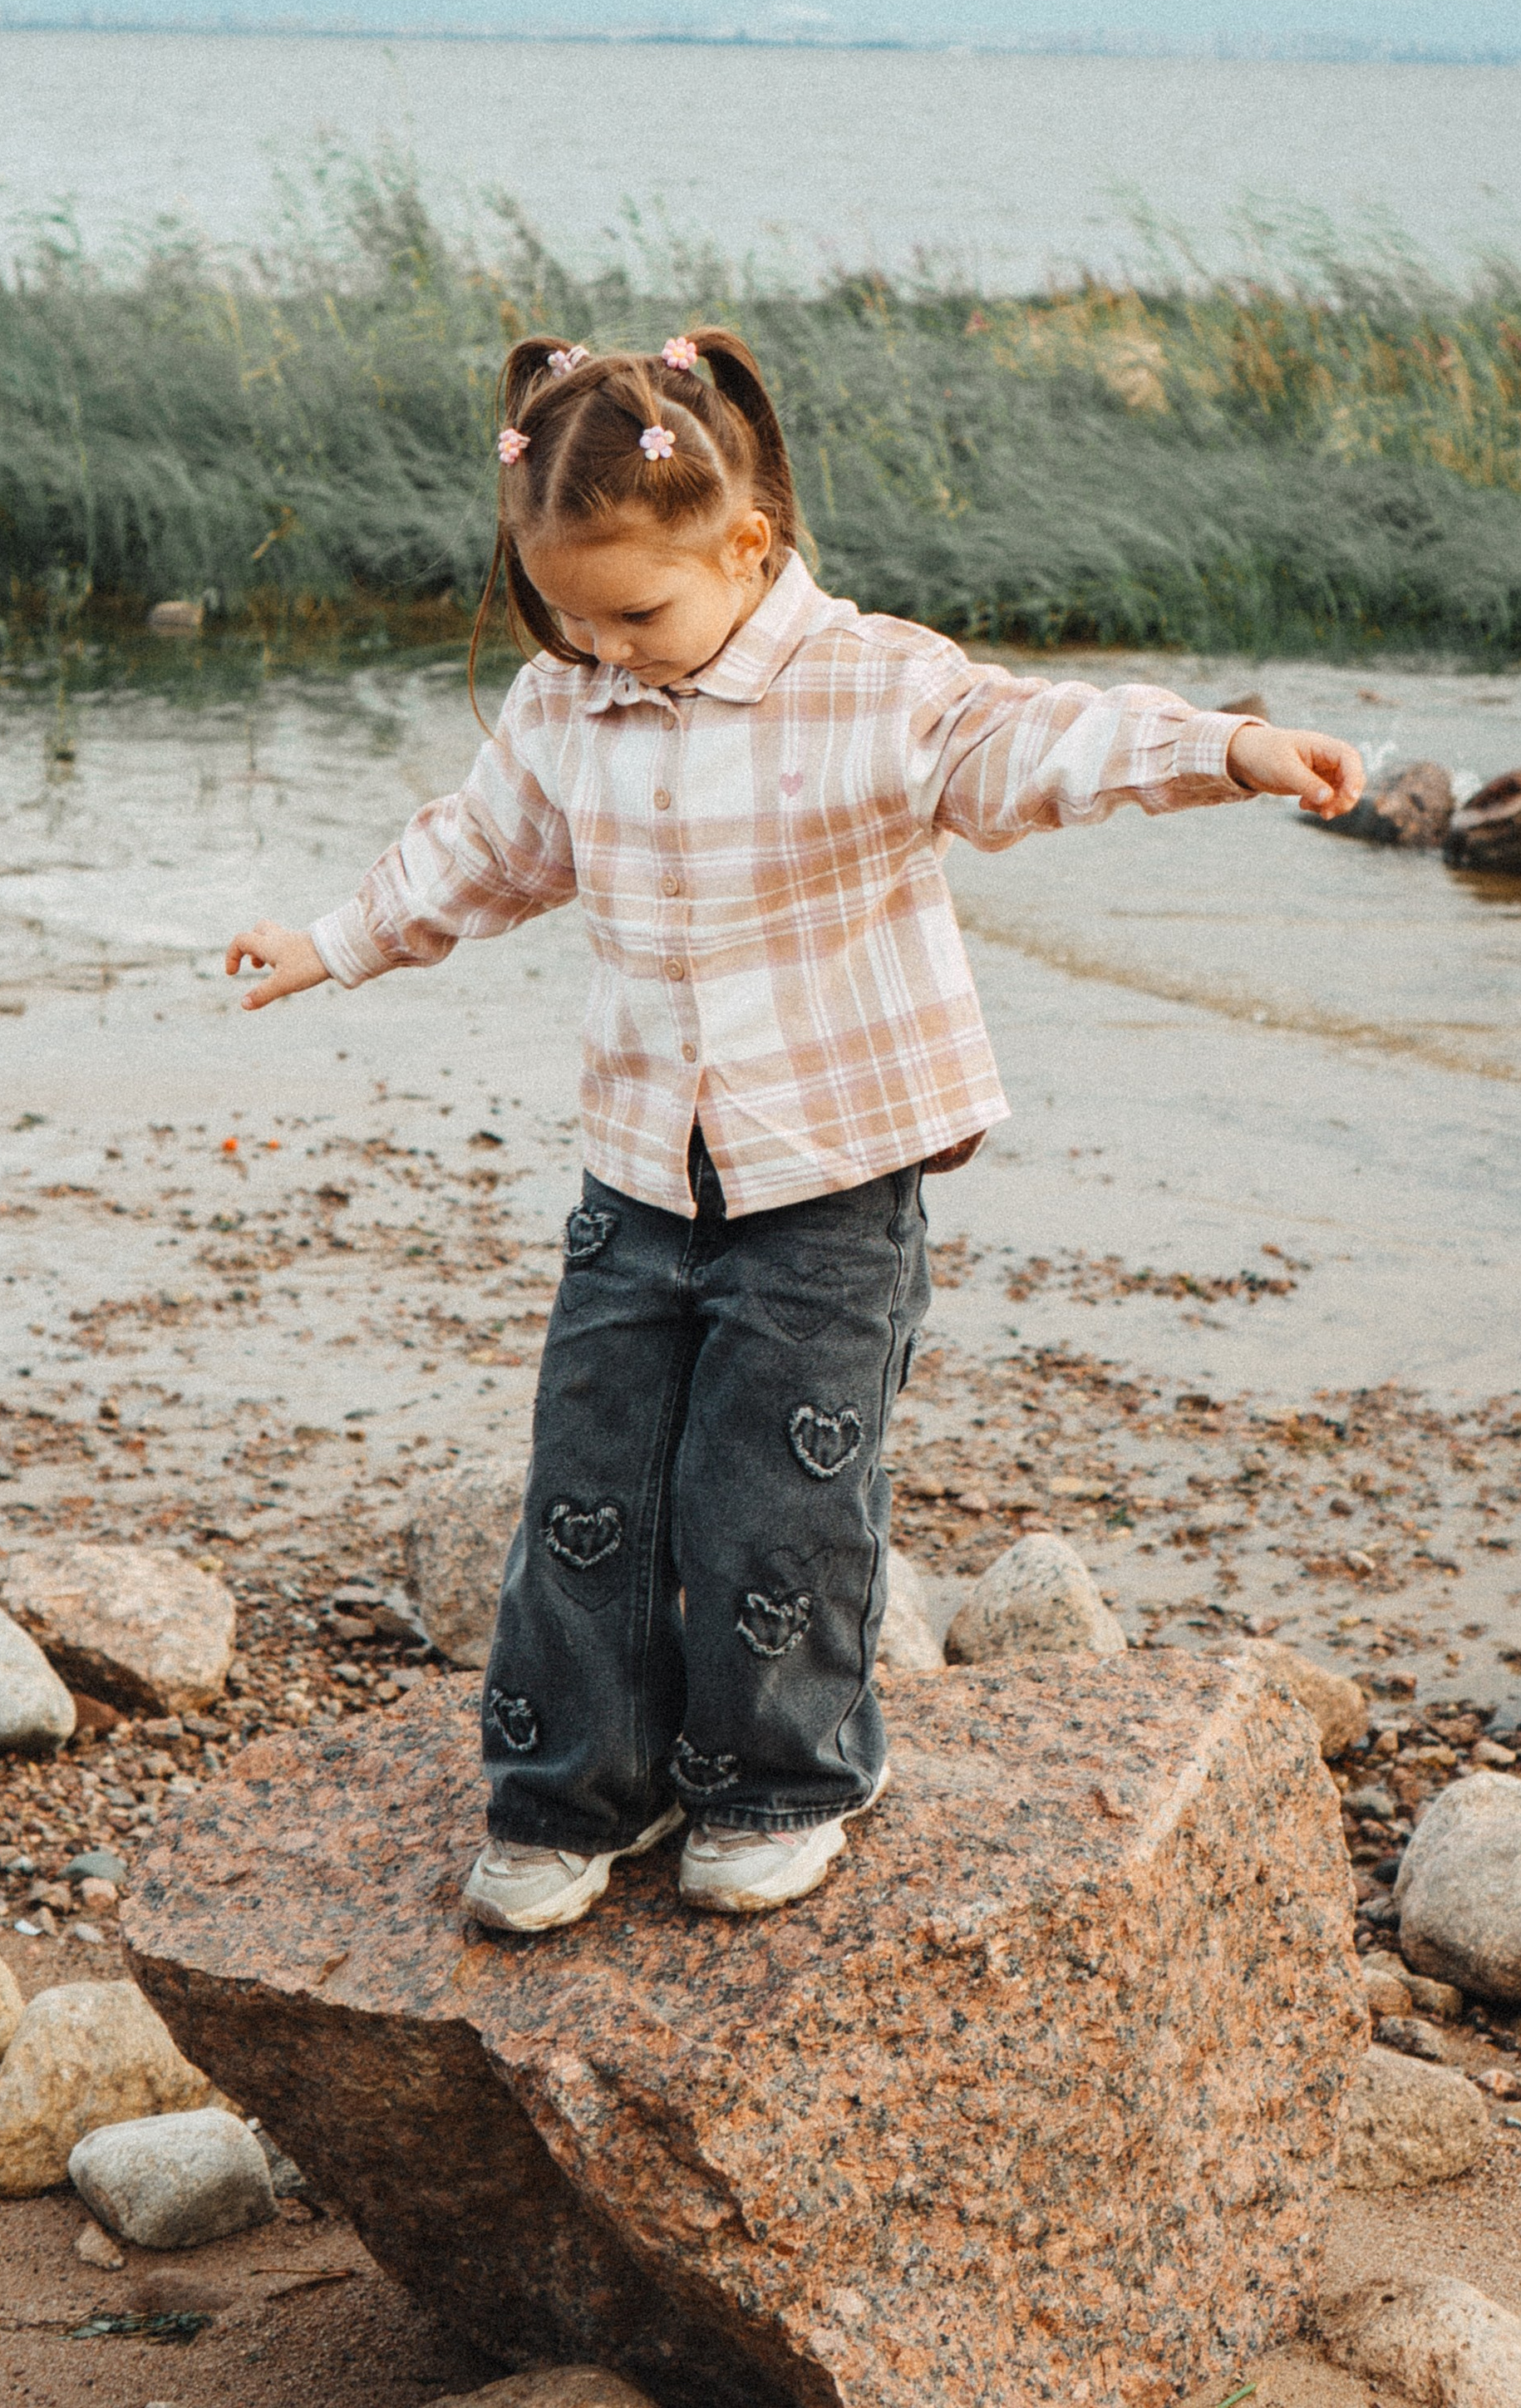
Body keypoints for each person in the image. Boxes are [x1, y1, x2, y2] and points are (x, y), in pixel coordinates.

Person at [225, 327, 1363, 1935]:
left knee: (776, 1489)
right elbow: (476, 854)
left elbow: (1041, 743)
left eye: (639, 611)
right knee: (591, 1485)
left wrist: (1224, 748)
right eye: (568, 613)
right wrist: (333, 940)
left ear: (746, 546)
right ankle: (572, 1794)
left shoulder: (876, 686)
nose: (607, 646)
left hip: (831, 1178)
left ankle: (782, 1778)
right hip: (639, 1174)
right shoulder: (571, 705)